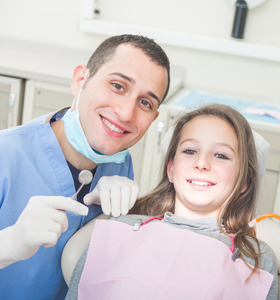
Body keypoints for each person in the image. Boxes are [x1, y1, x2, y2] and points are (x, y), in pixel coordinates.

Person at [0, 34, 171, 299]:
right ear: (80, 80)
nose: (126, 113)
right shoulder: (6, 154)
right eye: (117, 86)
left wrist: (120, 219)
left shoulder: (120, 163)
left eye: (145, 103)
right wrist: (9, 245)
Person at [65, 104, 279, 299]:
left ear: (245, 182)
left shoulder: (255, 259)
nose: (202, 163)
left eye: (221, 155)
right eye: (189, 151)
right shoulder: (121, 229)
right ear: (171, 169)